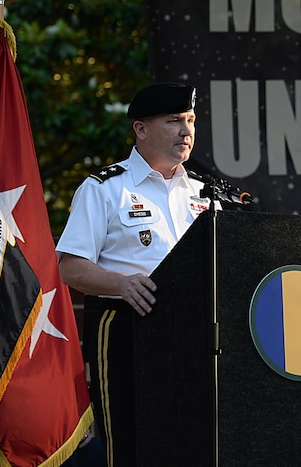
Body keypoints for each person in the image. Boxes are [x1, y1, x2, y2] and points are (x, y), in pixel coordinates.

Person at [56, 82, 206, 467]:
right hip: (127, 327)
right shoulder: (104, 189)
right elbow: (69, 267)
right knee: (130, 443)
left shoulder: (206, 192)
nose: (186, 131)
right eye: (174, 121)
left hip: (198, 330)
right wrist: (121, 284)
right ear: (141, 129)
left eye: (190, 120)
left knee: (196, 441)